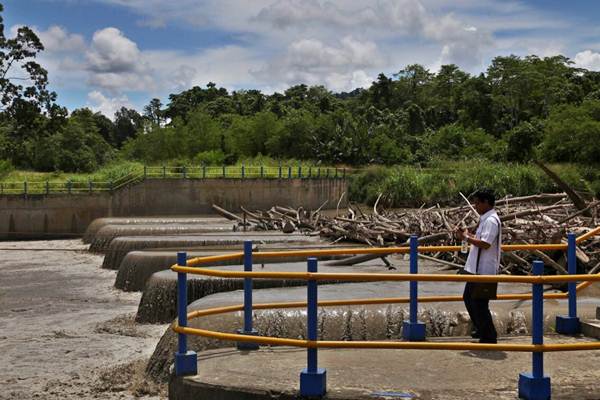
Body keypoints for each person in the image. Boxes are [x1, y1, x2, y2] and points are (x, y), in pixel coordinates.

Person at [455, 189, 502, 344]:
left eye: (477, 203)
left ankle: (489, 336)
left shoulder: (491, 221)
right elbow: (481, 239)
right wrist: (468, 236)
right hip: (477, 270)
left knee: (479, 303)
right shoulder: (485, 219)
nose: (475, 206)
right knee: (469, 298)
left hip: (484, 270)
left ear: (486, 202)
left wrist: (467, 238)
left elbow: (486, 244)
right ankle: (482, 330)